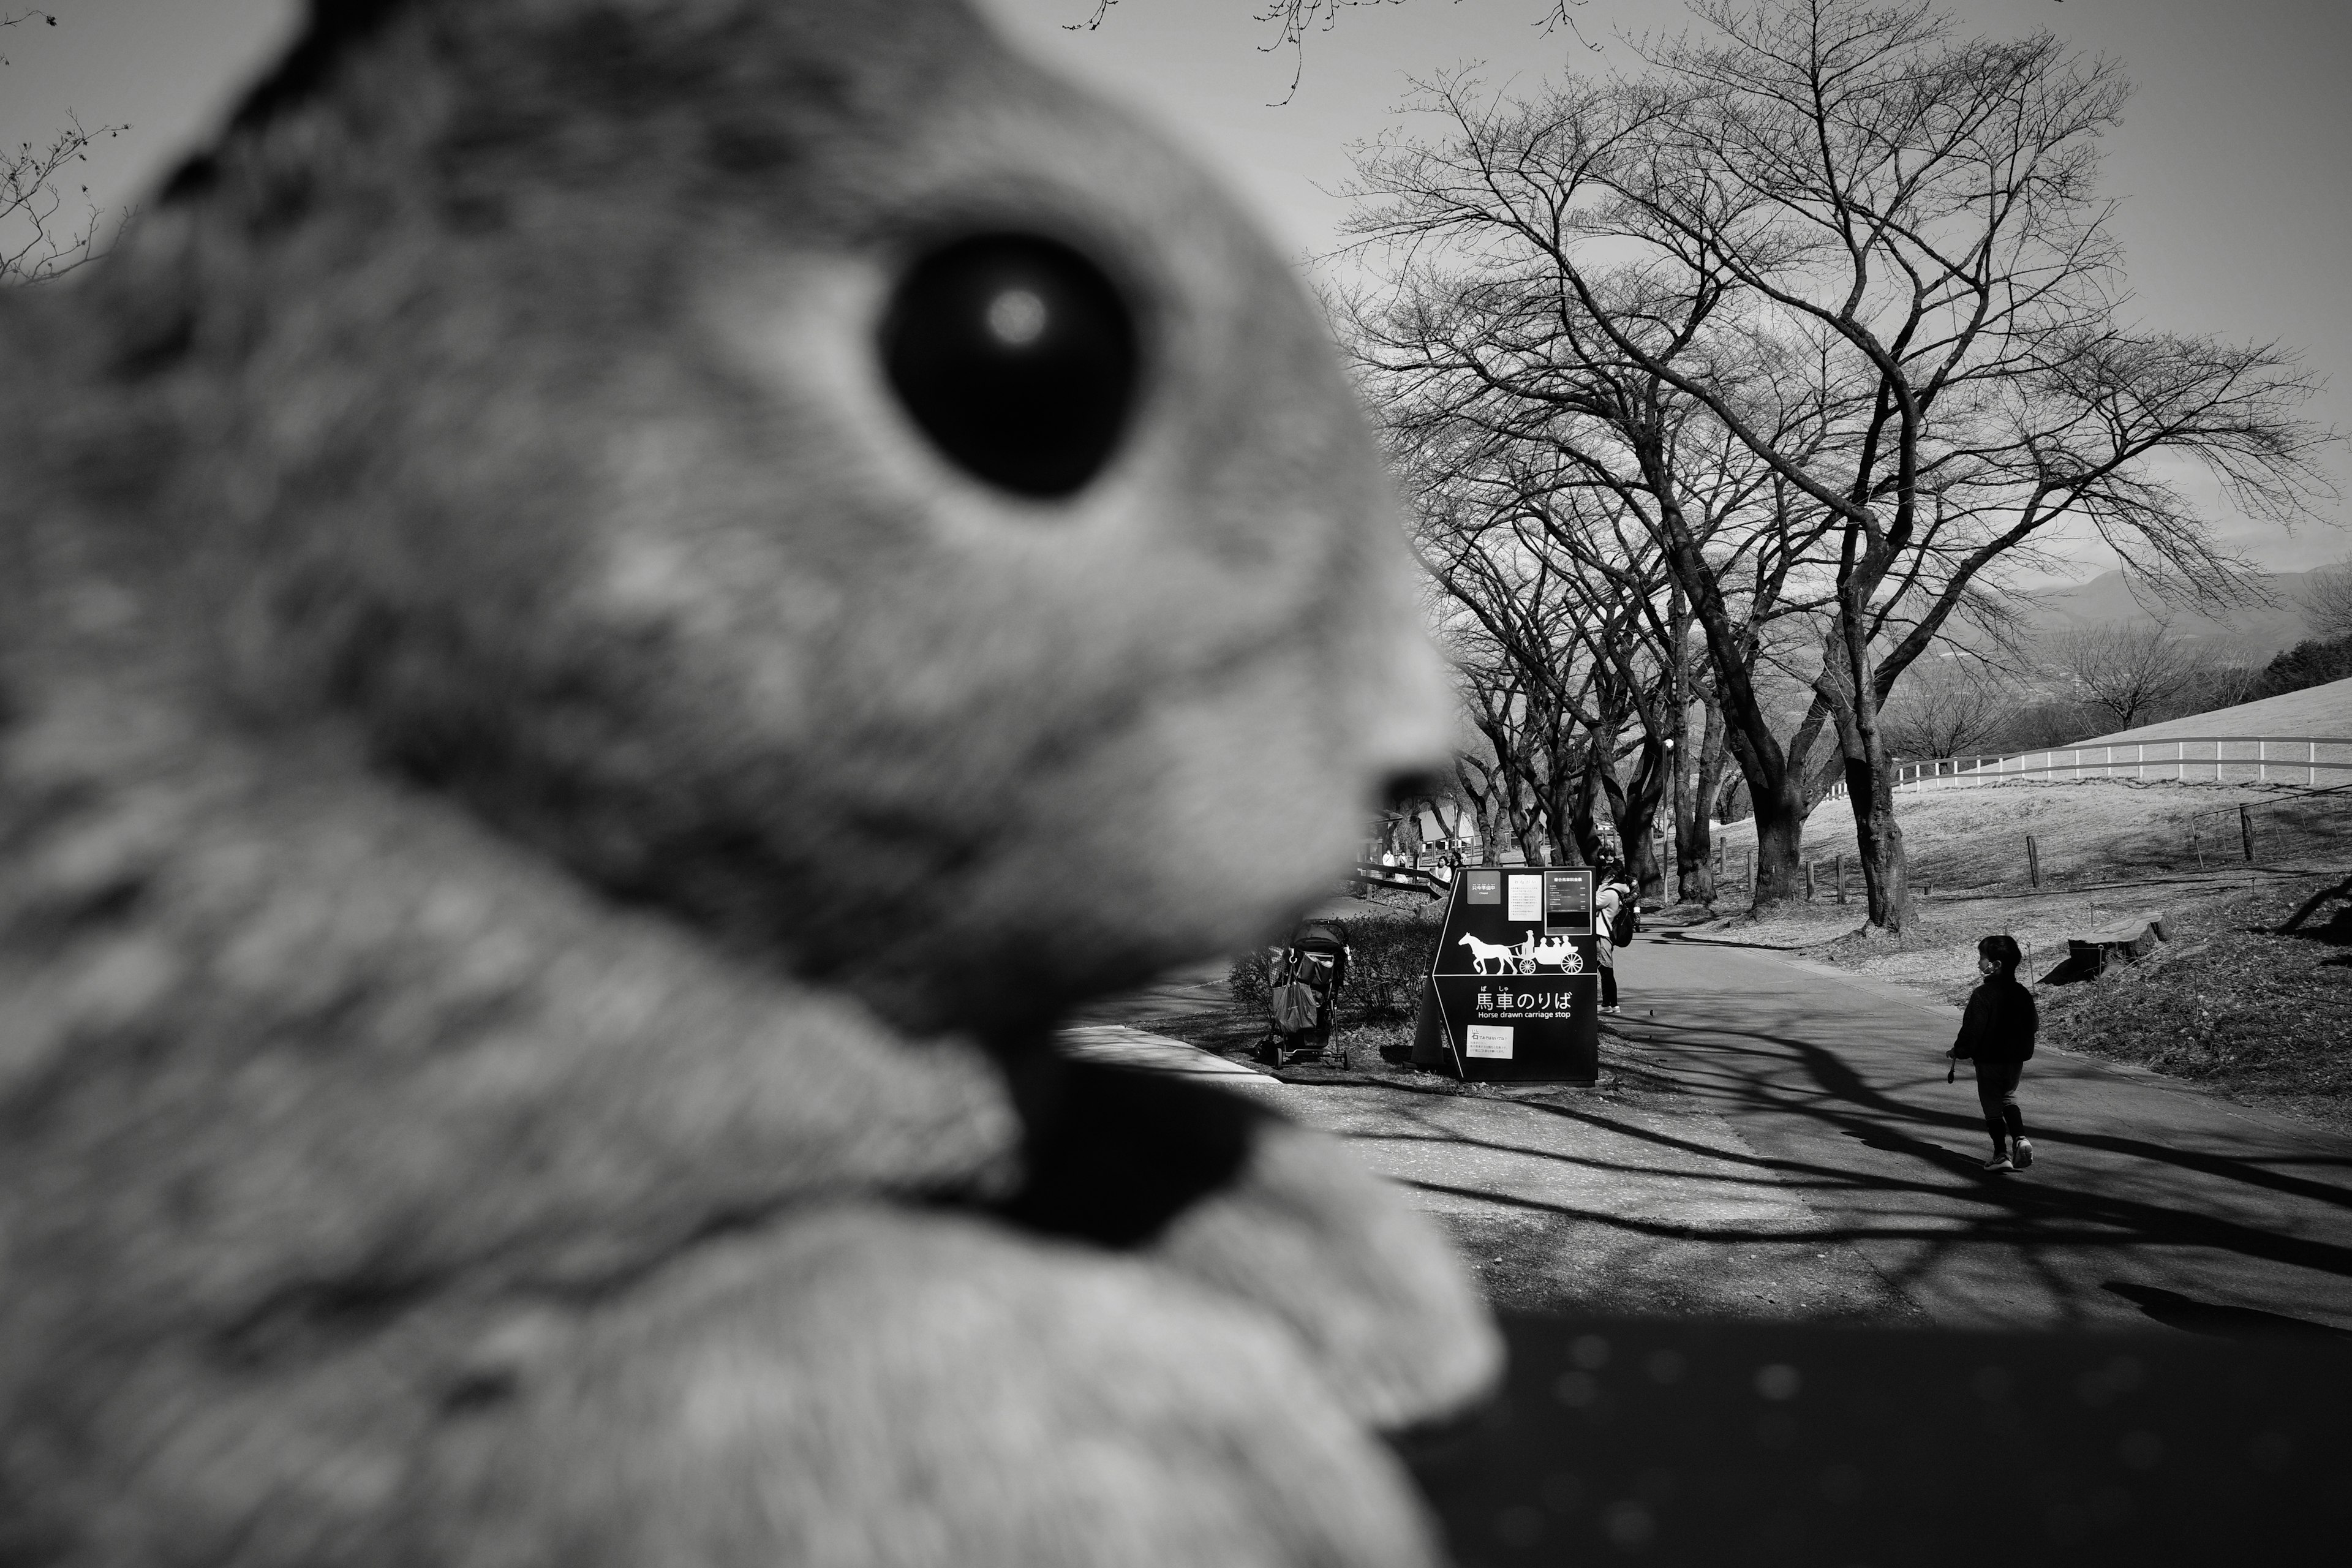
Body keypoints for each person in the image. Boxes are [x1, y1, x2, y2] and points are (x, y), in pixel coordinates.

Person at [1948, 933, 2038, 1171]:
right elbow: (2034, 1025)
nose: (1979, 963)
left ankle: (2001, 1154)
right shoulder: (2022, 993)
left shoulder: (1983, 994)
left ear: (1995, 965)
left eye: (1982, 958)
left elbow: (1972, 1029)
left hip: (1989, 1059)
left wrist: (1960, 1050)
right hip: (2015, 1059)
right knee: (2008, 1096)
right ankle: (2021, 1138)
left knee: (1991, 1105)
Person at [1593, 861, 1632, 1015]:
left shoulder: (1609, 893)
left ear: (1611, 877)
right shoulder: (1613, 891)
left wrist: (1599, 888)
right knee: (1605, 970)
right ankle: (1610, 1004)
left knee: (1606, 970)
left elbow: (1591, 903)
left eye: (1605, 876)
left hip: (1602, 934)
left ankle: (1611, 1005)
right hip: (1604, 933)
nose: (1602, 879)